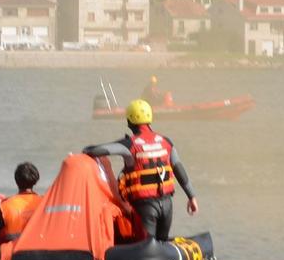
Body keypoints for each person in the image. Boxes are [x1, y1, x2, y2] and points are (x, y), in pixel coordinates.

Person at [83, 99, 199, 244]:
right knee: (161, 244)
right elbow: (178, 168)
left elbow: (98, 150)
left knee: (146, 247)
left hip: (146, 207)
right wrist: (191, 197)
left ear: (129, 121)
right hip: (167, 205)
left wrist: (86, 150)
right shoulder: (166, 142)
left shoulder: (129, 144)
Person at [0, 161, 42, 244]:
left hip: (15, 253)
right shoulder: (45, 203)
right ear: (36, 180)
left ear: (16, 181)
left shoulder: (5, 206)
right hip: (41, 249)